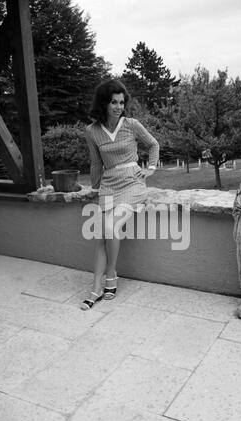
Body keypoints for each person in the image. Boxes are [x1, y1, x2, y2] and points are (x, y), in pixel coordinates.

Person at [81, 79, 159, 310]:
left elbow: (153, 144)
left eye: (121, 102)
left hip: (132, 183)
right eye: (113, 102)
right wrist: (95, 188)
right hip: (108, 185)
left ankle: (111, 275)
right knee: (102, 236)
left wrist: (150, 169)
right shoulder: (92, 131)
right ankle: (97, 287)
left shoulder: (132, 124)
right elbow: (96, 163)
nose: (118, 106)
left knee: (111, 227)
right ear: (103, 103)